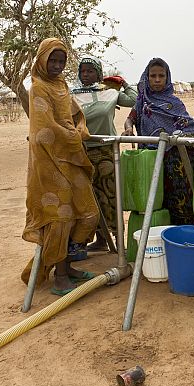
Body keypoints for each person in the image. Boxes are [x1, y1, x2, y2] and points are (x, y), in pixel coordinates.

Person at [21, 38, 99, 296]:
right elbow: (44, 130)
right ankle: (61, 275)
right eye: (52, 60)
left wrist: (78, 129)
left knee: (87, 212)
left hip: (71, 158)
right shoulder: (38, 88)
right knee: (60, 217)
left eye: (61, 61)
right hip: (49, 162)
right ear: (41, 60)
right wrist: (72, 137)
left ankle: (68, 265)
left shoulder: (62, 85)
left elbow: (76, 115)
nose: (56, 65)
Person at [123, 57, 194, 225]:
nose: (157, 80)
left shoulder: (175, 102)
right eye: (153, 76)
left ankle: (182, 232)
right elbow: (130, 118)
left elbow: (187, 125)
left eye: (162, 76)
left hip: (175, 160)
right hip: (150, 158)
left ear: (167, 78)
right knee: (154, 199)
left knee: (179, 197)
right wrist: (129, 128)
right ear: (147, 77)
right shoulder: (142, 101)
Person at [72, 57, 137, 252]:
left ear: (99, 74)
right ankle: (99, 240)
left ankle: (118, 243)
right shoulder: (71, 96)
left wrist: (123, 82)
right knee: (88, 198)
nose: (86, 75)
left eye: (91, 71)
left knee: (110, 196)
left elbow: (133, 99)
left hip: (107, 151)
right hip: (81, 152)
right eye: (83, 71)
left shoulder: (110, 93)